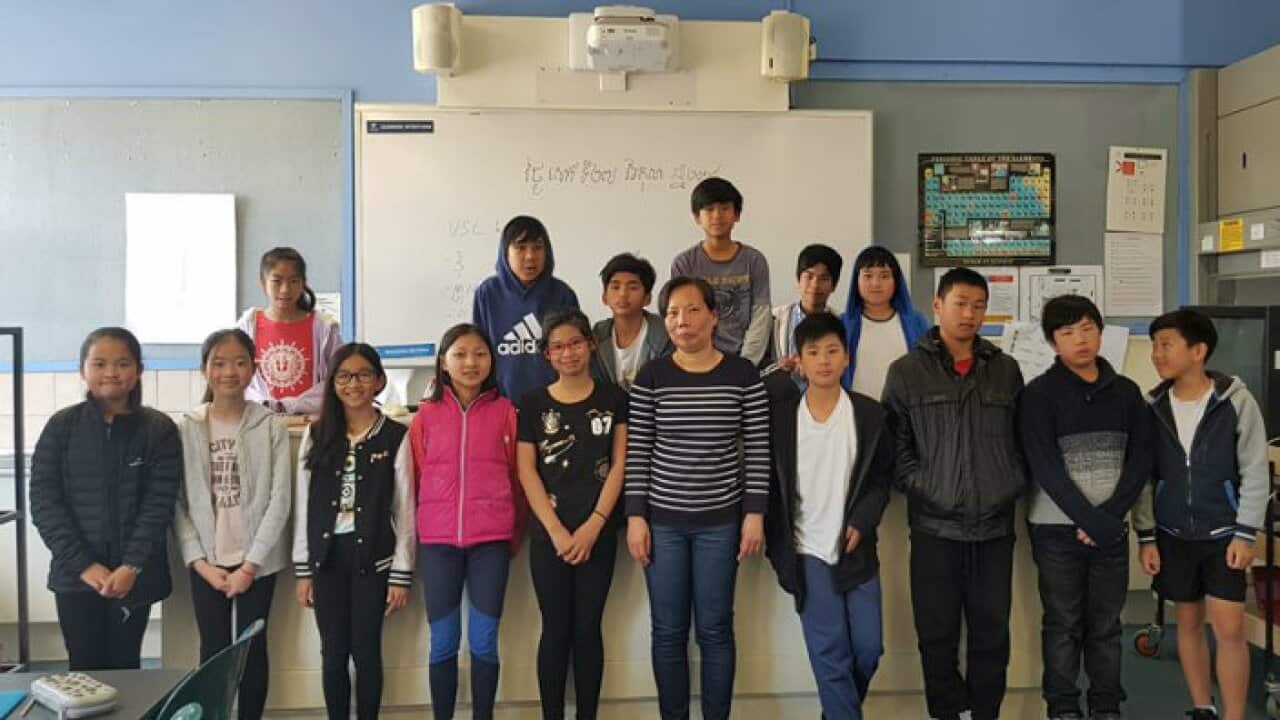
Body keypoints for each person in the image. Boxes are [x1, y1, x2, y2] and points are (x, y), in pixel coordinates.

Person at [881, 267, 1026, 720]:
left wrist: (1008, 483)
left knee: (991, 635)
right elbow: (895, 447)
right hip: (934, 527)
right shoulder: (906, 372)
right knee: (937, 636)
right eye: (960, 303)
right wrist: (929, 488)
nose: (970, 313)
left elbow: (1022, 440)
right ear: (938, 306)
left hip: (993, 527)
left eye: (978, 305)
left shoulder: (1005, 369)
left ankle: (985, 714)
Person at [624, 276, 770, 720]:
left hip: (721, 524)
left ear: (713, 315)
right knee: (668, 632)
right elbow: (638, 451)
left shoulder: (742, 374)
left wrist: (755, 514)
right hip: (662, 525)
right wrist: (635, 517)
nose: (680, 320)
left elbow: (757, 448)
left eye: (691, 310)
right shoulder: (653, 375)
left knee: (715, 630)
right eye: (671, 312)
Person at [1019, 296, 1151, 720]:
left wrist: (1109, 519)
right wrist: (1093, 520)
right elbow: (1045, 467)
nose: (1080, 339)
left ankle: (1106, 705)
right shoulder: (1038, 395)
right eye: (1067, 332)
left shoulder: (1127, 393)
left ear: (1100, 331)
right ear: (1053, 342)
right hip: (1057, 531)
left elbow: (1141, 462)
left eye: (1088, 328)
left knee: (1107, 626)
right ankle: (1062, 707)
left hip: (1111, 529)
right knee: (1062, 624)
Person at [1135, 309, 1268, 720]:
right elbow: (1143, 477)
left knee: (1228, 629)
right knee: (1187, 625)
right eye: (1155, 345)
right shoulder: (1152, 405)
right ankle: (1201, 707)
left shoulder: (1235, 401)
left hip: (1224, 534)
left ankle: (1233, 715)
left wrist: (1246, 534)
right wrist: (1147, 536)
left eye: (1166, 345)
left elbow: (1255, 469)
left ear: (1198, 351)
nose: (1157, 354)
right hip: (1174, 534)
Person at [763, 312, 893, 720]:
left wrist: (862, 520)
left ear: (846, 358)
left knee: (869, 649)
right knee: (831, 652)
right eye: (813, 352)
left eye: (832, 351)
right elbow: (769, 487)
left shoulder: (870, 415)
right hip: (806, 550)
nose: (823, 360)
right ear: (798, 360)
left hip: (855, 547)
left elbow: (880, 479)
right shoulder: (781, 419)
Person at [30, 327, 181, 670]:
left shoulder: (158, 429)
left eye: (122, 363)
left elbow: (159, 506)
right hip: (75, 577)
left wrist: (131, 566)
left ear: (139, 369)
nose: (111, 372)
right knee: (83, 667)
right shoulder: (62, 427)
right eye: (99, 363)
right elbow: (43, 500)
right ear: (83, 370)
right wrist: (83, 564)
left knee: (125, 667)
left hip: (134, 578)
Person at [174, 329, 292, 720]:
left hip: (257, 561)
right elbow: (179, 504)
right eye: (219, 362)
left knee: (253, 650)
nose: (229, 371)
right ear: (205, 369)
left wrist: (250, 565)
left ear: (253, 367)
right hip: (207, 560)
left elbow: (280, 499)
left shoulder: (269, 425)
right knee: (213, 651)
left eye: (240, 362)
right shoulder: (187, 426)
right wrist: (200, 562)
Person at [293, 344, 415, 720]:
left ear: (378, 380)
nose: (354, 384)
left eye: (363, 374)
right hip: (327, 560)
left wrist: (401, 572)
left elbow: (405, 508)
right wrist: (303, 569)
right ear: (332, 382)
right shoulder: (316, 434)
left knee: (366, 652)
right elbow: (304, 507)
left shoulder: (395, 435)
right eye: (344, 376)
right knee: (332, 654)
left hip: (373, 560)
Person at [517, 310, 628, 720]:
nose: (568, 353)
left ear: (591, 345)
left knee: (587, 631)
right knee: (555, 631)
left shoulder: (614, 398)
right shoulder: (532, 403)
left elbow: (620, 463)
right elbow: (526, 469)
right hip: (550, 538)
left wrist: (595, 524)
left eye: (575, 344)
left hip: (597, 534)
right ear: (547, 354)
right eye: (558, 347)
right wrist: (557, 531)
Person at [411, 323, 524, 720]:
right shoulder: (424, 416)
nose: (470, 362)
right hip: (438, 543)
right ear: (443, 363)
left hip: (491, 541)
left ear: (491, 360)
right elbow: (414, 479)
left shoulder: (506, 412)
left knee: (483, 640)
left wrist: (513, 532)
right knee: (443, 641)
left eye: (479, 353)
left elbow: (517, 477)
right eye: (460, 354)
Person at [472, 215, 580, 401]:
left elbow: (576, 354)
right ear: (505, 252)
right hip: (500, 403)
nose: (530, 256)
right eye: (520, 248)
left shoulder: (562, 294)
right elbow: (478, 350)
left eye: (538, 247)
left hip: (554, 402)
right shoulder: (487, 293)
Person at [670, 177, 772, 365]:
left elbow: (761, 316)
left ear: (737, 214)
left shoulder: (754, 261)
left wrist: (746, 364)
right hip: (698, 357)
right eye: (709, 209)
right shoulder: (684, 264)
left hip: (747, 359)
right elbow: (681, 319)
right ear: (696, 217)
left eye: (725, 208)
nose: (717, 215)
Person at [237, 246, 342, 418]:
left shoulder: (323, 328)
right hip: (259, 423)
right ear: (263, 283)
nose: (285, 289)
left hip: (310, 424)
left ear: (303, 284)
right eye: (277, 281)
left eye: (293, 281)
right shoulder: (248, 325)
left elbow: (339, 375)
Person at [840, 246, 929, 398]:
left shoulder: (917, 323)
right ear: (857, 281)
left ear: (896, 281)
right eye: (868, 276)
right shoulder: (842, 325)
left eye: (884, 276)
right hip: (857, 413)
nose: (876, 283)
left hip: (905, 414)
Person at [590, 252, 672, 390]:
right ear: (604, 297)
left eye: (633, 287)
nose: (623, 294)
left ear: (647, 298)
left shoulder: (664, 333)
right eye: (615, 287)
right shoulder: (597, 335)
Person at [766, 243, 844, 384]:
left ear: (834, 285)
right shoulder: (775, 319)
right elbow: (758, 366)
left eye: (823, 278)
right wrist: (778, 366)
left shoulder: (839, 325)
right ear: (798, 279)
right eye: (809, 276)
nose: (815, 284)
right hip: (782, 399)